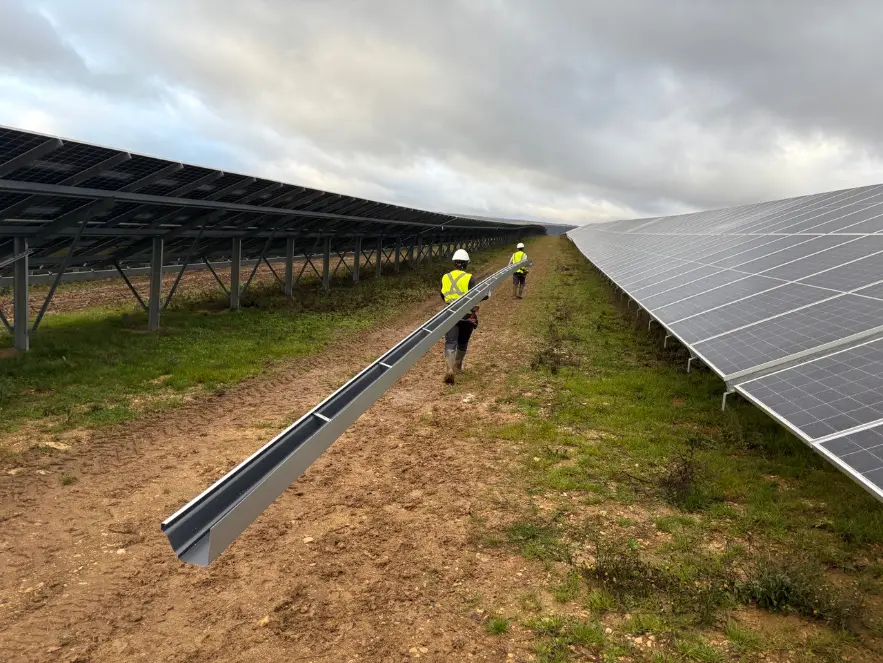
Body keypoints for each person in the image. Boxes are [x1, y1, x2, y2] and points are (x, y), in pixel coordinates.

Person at [440, 249, 487, 384]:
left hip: (450, 313)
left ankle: (449, 369)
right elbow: (475, 297)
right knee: (462, 342)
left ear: (455, 263)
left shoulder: (445, 277)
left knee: (450, 342)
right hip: (466, 315)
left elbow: (443, 295)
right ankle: (458, 365)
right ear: (466, 263)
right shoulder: (469, 278)